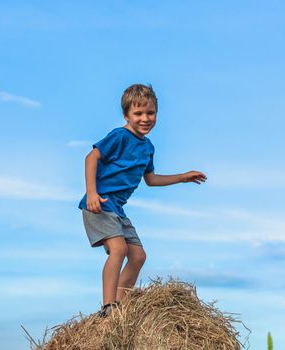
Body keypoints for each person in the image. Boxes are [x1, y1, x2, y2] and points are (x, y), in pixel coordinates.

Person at [78, 84, 207, 317]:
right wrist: (91, 193)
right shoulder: (120, 136)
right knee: (119, 249)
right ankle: (109, 308)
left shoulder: (148, 148)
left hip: (118, 209)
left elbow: (151, 179)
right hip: (100, 204)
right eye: (138, 114)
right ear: (126, 115)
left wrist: (182, 177)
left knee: (138, 256)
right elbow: (91, 158)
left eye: (150, 113)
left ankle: (122, 305)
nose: (145, 118)